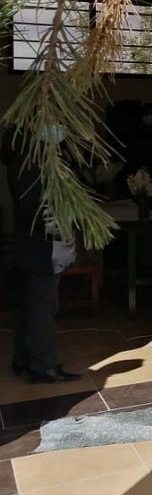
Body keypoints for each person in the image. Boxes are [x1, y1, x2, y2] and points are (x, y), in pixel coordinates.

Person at [3, 128, 82, 384]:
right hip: (42, 247)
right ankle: (43, 365)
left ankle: (24, 357)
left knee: (31, 304)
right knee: (43, 307)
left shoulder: (26, 158)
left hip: (34, 245)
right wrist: (65, 230)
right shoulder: (31, 162)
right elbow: (38, 210)